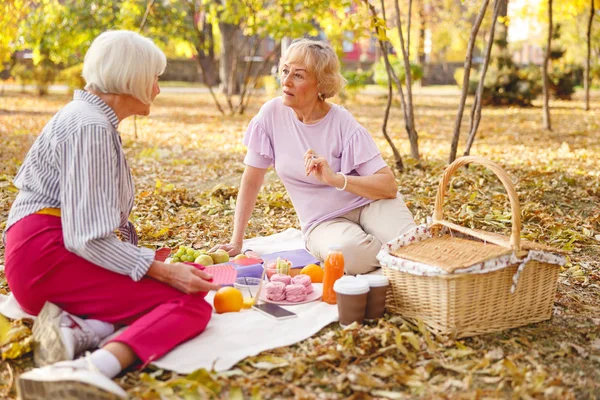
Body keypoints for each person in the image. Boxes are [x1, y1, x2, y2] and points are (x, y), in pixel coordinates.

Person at [3, 30, 221, 399]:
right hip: (46, 256)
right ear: (132, 77)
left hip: (40, 252)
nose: (158, 89)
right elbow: (86, 237)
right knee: (186, 302)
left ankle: (80, 329)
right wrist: (161, 269)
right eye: (155, 77)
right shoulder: (91, 127)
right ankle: (91, 367)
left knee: (178, 277)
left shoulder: (88, 118)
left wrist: (152, 262)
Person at [214, 39, 416, 274]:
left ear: (321, 83)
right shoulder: (270, 116)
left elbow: (389, 186)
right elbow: (251, 181)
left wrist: (336, 179)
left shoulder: (342, 122)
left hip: (370, 203)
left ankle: (404, 254)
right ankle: (399, 258)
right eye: (285, 71)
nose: (286, 81)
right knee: (347, 256)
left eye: (298, 75)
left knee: (410, 243)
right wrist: (237, 241)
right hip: (323, 222)